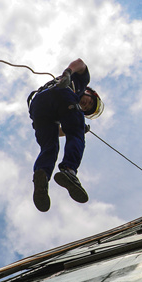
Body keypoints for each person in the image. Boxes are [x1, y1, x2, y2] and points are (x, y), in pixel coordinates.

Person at [27, 58, 104, 212]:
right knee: (76, 132)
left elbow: (57, 132)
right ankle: (69, 170)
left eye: (86, 108)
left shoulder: (69, 106)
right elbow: (80, 63)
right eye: (89, 102)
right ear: (89, 92)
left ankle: (41, 175)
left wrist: (76, 128)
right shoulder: (81, 82)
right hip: (61, 94)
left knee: (50, 146)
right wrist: (68, 73)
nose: (85, 105)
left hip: (39, 107)